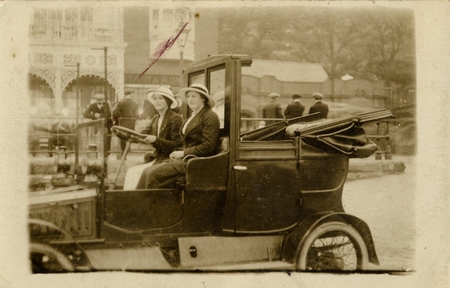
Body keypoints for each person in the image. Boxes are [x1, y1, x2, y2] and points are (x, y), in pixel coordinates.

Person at [138, 83, 220, 189]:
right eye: (188, 96)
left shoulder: (210, 116)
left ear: (203, 98)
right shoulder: (194, 115)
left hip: (195, 162)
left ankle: (147, 203)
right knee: (148, 171)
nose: (190, 100)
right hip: (186, 159)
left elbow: (208, 146)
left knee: (152, 174)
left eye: (194, 96)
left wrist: (182, 153)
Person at [124, 87, 183, 190]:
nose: (157, 101)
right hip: (158, 158)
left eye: (160, 98)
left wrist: (156, 140)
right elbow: (143, 134)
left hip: (169, 159)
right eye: (155, 99)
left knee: (138, 172)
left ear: (168, 101)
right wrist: (130, 136)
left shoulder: (175, 118)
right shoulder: (156, 118)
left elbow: (177, 144)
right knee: (131, 171)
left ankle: (139, 199)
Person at [112, 90, 139, 155]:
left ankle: (123, 152)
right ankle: (128, 149)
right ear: (131, 95)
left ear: (125, 95)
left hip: (123, 121)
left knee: (123, 136)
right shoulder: (135, 104)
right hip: (131, 121)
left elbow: (115, 113)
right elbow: (137, 115)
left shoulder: (121, 103)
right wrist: (135, 119)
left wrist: (117, 119)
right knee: (130, 135)